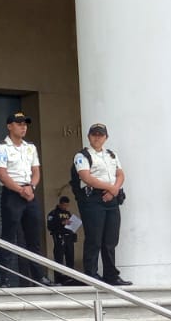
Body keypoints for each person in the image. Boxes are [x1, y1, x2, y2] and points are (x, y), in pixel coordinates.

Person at [73, 122, 129, 286]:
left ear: (106, 137)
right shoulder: (82, 155)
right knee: (94, 238)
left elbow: (120, 174)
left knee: (111, 239)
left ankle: (111, 275)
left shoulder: (111, 155)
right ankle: (91, 274)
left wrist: (114, 190)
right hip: (93, 199)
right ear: (89, 136)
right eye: (94, 134)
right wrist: (110, 188)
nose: (97, 137)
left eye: (101, 134)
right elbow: (86, 177)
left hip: (112, 197)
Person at [0, 111, 43, 286]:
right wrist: (21, 190)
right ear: (9, 126)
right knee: (9, 236)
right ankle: (5, 279)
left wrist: (32, 187)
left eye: (25, 124)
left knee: (34, 237)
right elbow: (2, 175)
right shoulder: (2, 147)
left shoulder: (31, 147)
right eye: (19, 123)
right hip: (12, 194)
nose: (23, 127)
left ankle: (38, 276)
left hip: (29, 192)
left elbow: (36, 171)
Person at [46, 197, 77, 273]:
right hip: (59, 237)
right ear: (60, 204)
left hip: (69, 238)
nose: (65, 207)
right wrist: (61, 223)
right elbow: (50, 226)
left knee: (70, 258)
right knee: (59, 258)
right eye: (64, 205)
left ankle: (71, 277)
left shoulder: (68, 213)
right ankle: (58, 278)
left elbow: (71, 226)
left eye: (67, 205)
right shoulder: (53, 213)